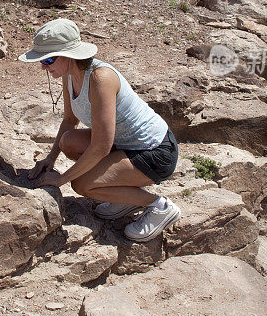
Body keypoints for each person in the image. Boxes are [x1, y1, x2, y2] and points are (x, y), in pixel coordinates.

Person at [19, 18, 180, 242]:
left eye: (48, 60)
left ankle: (158, 205)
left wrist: (61, 180)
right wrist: (50, 159)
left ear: (69, 54)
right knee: (69, 141)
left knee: (83, 184)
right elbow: (69, 119)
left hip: (154, 152)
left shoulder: (100, 78)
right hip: (123, 145)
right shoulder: (69, 75)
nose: (44, 67)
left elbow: (101, 147)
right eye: (42, 61)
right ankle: (123, 196)